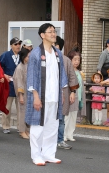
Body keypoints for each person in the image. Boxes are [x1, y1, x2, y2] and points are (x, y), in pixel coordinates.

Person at [26, 23, 68, 166]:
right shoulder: (36, 54)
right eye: (50, 32)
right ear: (42, 35)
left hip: (54, 96)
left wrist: (62, 93)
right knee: (38, 126)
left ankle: (49, 154)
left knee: (52, 126)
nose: (53, 34)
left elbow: (61, 74)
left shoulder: (58, 53)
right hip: (41, 96)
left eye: (54, 31)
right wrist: (36, 96)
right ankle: (36, 155)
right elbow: (31, 76)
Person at [54, 36, 78, 150]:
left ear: (59, 46)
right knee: (49, 118)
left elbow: (72, 77)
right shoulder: (44, 58)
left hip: (63, 92)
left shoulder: (66, 60)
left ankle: (60, 139)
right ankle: (48, 140)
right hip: (49, 94)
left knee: (62, 118)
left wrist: (73, 92)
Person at [0, 37, 22, 134]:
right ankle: (6, 126)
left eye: (19, 44)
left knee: (21, 107)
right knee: (7, 106)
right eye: (15, 44)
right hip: (9, 84)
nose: (18, 46)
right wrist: (3, 75)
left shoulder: (22, 55)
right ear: (11, 45)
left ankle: (20, 126)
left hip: (20, 84)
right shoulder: (5, 55)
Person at [64, 50, 84, 142]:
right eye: (75, 59)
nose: (77, 62)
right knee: (67, 116)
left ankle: (70, 134)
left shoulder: (79, 72)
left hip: (77, 97)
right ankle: (63, 134)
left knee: (73, 117)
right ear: (70, 60)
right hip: (69, 96)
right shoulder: (68, 71)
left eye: (78, 60)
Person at [13, 48, 31, 139]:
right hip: (23, 94)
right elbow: (19, 82)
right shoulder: (20, 68)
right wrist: (20, 96)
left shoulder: (28, 66)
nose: (29, 57)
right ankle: (22, 130)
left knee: (27, 112)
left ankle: (26, 130)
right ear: (23, 57)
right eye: (28, 56)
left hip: (29, 93)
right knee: (22, 112)